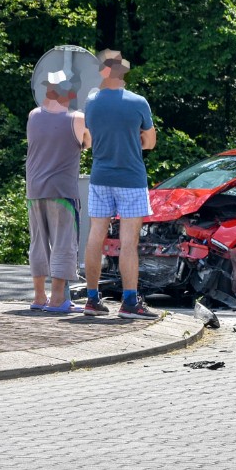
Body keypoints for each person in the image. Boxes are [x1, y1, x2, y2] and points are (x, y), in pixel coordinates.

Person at [82, 50, 160, 319]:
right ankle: (129, 302)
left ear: (102, 71)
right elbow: (149, 143)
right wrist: (134, 138)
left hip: (100, 176)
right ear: (123, 71)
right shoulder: (138, 102)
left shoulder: (91, 103)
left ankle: (92, 299)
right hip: (131, 179)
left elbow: (89, 139)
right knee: (128, 242)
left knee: (95, 237)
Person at [26, 70, 91, 313]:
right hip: (62, 190)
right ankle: (57, 300)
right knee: (63, 243)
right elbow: (88, 143)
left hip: (34, 189)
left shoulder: (33, 115)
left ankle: (39, 297)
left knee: (38, 243)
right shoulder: (77, 118)